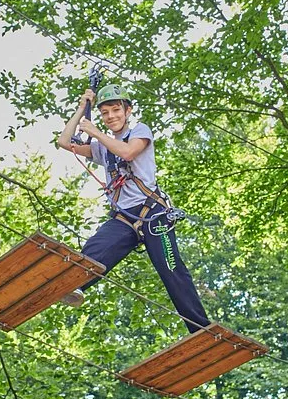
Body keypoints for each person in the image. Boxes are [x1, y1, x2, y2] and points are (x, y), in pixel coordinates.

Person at [56, 84, 211, 335]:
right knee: (95, 249)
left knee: (171, 270)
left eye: (116, 110)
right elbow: (64, 141)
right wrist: (82, 108)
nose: (111, 117)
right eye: (105, 113)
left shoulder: (139, 131)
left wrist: (95, 131)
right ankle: (74, 287)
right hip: (124, 218)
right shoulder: (102, 147)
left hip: (153, 215)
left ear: (127, 111)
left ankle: (201, 329)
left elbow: (128, 153)